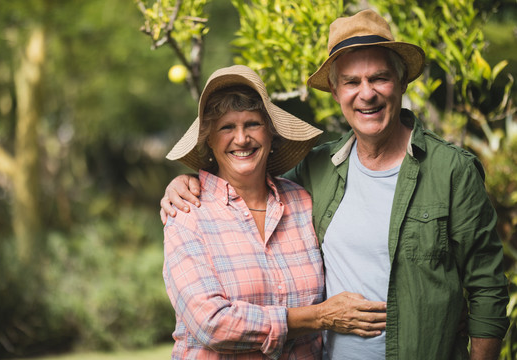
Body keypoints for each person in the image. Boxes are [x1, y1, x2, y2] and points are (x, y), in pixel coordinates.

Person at [160, 10, 509, 360]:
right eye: (352, 82)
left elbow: (488, 288)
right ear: (335, 90)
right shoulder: (316, 171)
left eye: (380, 78)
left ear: (402, 83)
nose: (366, 94)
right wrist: (183, 184)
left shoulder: (451, 170)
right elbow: (245, 184)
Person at [162, 64, 387, 359]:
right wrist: (318, 317)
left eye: (252, 124)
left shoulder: (302, 202)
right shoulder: (188, 212)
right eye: (227, 127)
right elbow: (212, 324)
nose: (241, 139)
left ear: (271, 133)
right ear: (209, 141)